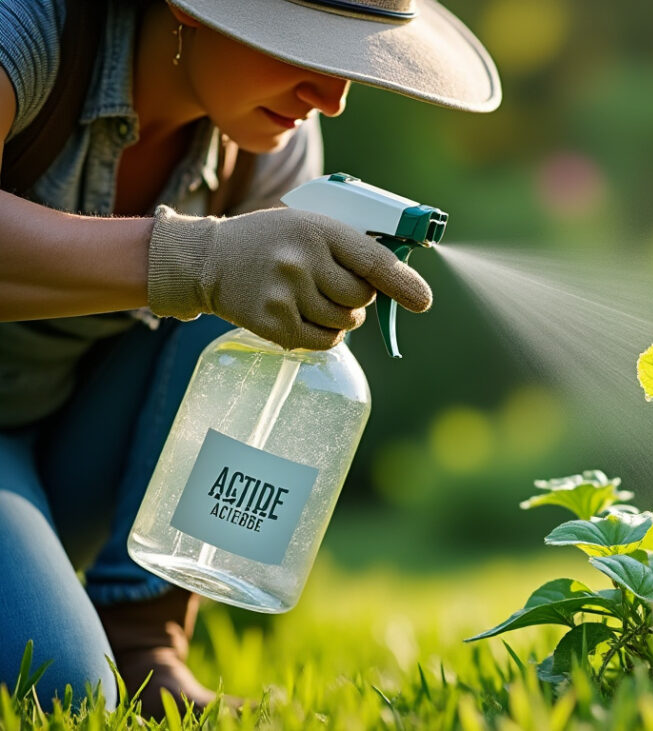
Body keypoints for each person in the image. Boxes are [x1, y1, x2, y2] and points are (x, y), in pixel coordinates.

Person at [0, 0, 500, 716]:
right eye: (304, 45)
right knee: (60, 685)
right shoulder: (29, 29)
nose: (333, 97)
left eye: (352, 58)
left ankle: (143, 634)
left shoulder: (277, 151)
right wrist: (197, 258)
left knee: (268, 286)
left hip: (57, 437)